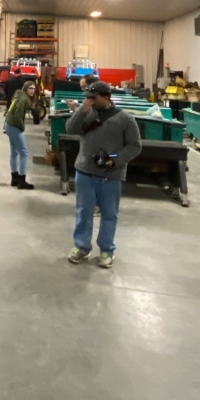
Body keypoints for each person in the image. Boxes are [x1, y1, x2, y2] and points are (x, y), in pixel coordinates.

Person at [64, 81, 142, 268]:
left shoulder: (125, 119)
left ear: (106, 98)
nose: (89, 101)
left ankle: (107, 250)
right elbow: (70, 129)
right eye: (87, 98)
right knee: (84, 211)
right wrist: (80, 111)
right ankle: (81, 246)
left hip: (111, 173)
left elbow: (135, 146)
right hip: (85, 170)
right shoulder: (86, 113)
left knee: (109, 213)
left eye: (93, 98)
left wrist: (115, 160)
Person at [4, 81, 36, 190]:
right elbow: (17, 116)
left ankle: (14, 178)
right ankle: (22, 180)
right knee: (24, 153)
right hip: (13, 126)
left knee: (14, 152)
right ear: (25, 89)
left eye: (33, 89)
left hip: (9, 124)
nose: (32, 91)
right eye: (30, 88)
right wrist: (22, 127)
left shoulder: (19, 95)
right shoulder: (23, 99)